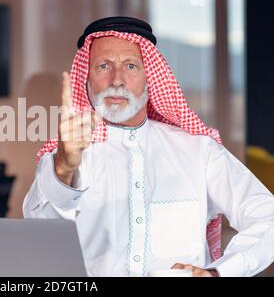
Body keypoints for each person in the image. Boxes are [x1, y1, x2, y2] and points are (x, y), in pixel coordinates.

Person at [22, 16, 274, 277]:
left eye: (131, 66)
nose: (117, 80)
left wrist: (218, 272)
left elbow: (267, 217)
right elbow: (39, 235)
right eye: (103, 66)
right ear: (86, 81)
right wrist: (63, 167)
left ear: (150, 77)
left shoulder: (199, 151)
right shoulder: (64, 160)